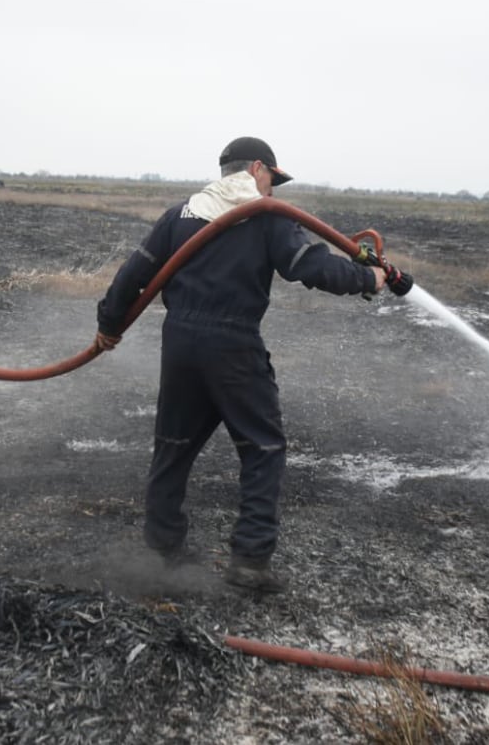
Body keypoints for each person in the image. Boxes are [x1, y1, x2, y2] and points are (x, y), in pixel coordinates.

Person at [95, 136, 412, 592]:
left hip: (180, 344)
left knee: (173, 445)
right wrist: (369, 277)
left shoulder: (181, 215)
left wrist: (110, 323)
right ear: (258, 169)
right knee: (262, 448)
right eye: (273, 181)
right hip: (233, 344)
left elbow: (134, 273)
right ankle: (249, 561)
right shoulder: (264, 217)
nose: (274, 192)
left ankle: (163, 552)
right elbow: (312, 267)